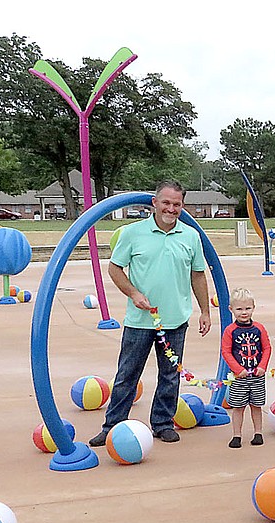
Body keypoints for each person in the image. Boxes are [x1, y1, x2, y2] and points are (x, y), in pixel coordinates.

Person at [89, 181, 211, 447]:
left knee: (170, 375)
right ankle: (113, 426)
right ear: (154, 203)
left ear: (182, 206)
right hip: (139, 321)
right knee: (127, 374)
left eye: (176, 204)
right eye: (166, 203)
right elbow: (115, 269)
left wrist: (205, 311)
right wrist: (133, 293)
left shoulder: (190, 236)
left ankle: (163, 423)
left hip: (175, 320)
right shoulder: (133, 233)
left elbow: (198, 274)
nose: (171, 208)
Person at [221, 288, 271, 448]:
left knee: (256, 405)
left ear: (253, 307)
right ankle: (237, 435)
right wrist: (237, 369)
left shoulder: (259, 328)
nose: (244, 312)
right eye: (239, 309)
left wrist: (262, 366)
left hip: (256, 375)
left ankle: (258, 433)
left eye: (247, 308)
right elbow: (226, 352)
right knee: (238, 406)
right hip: (239, 377)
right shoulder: (230, 331)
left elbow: (267, 348)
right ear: (231, 309)